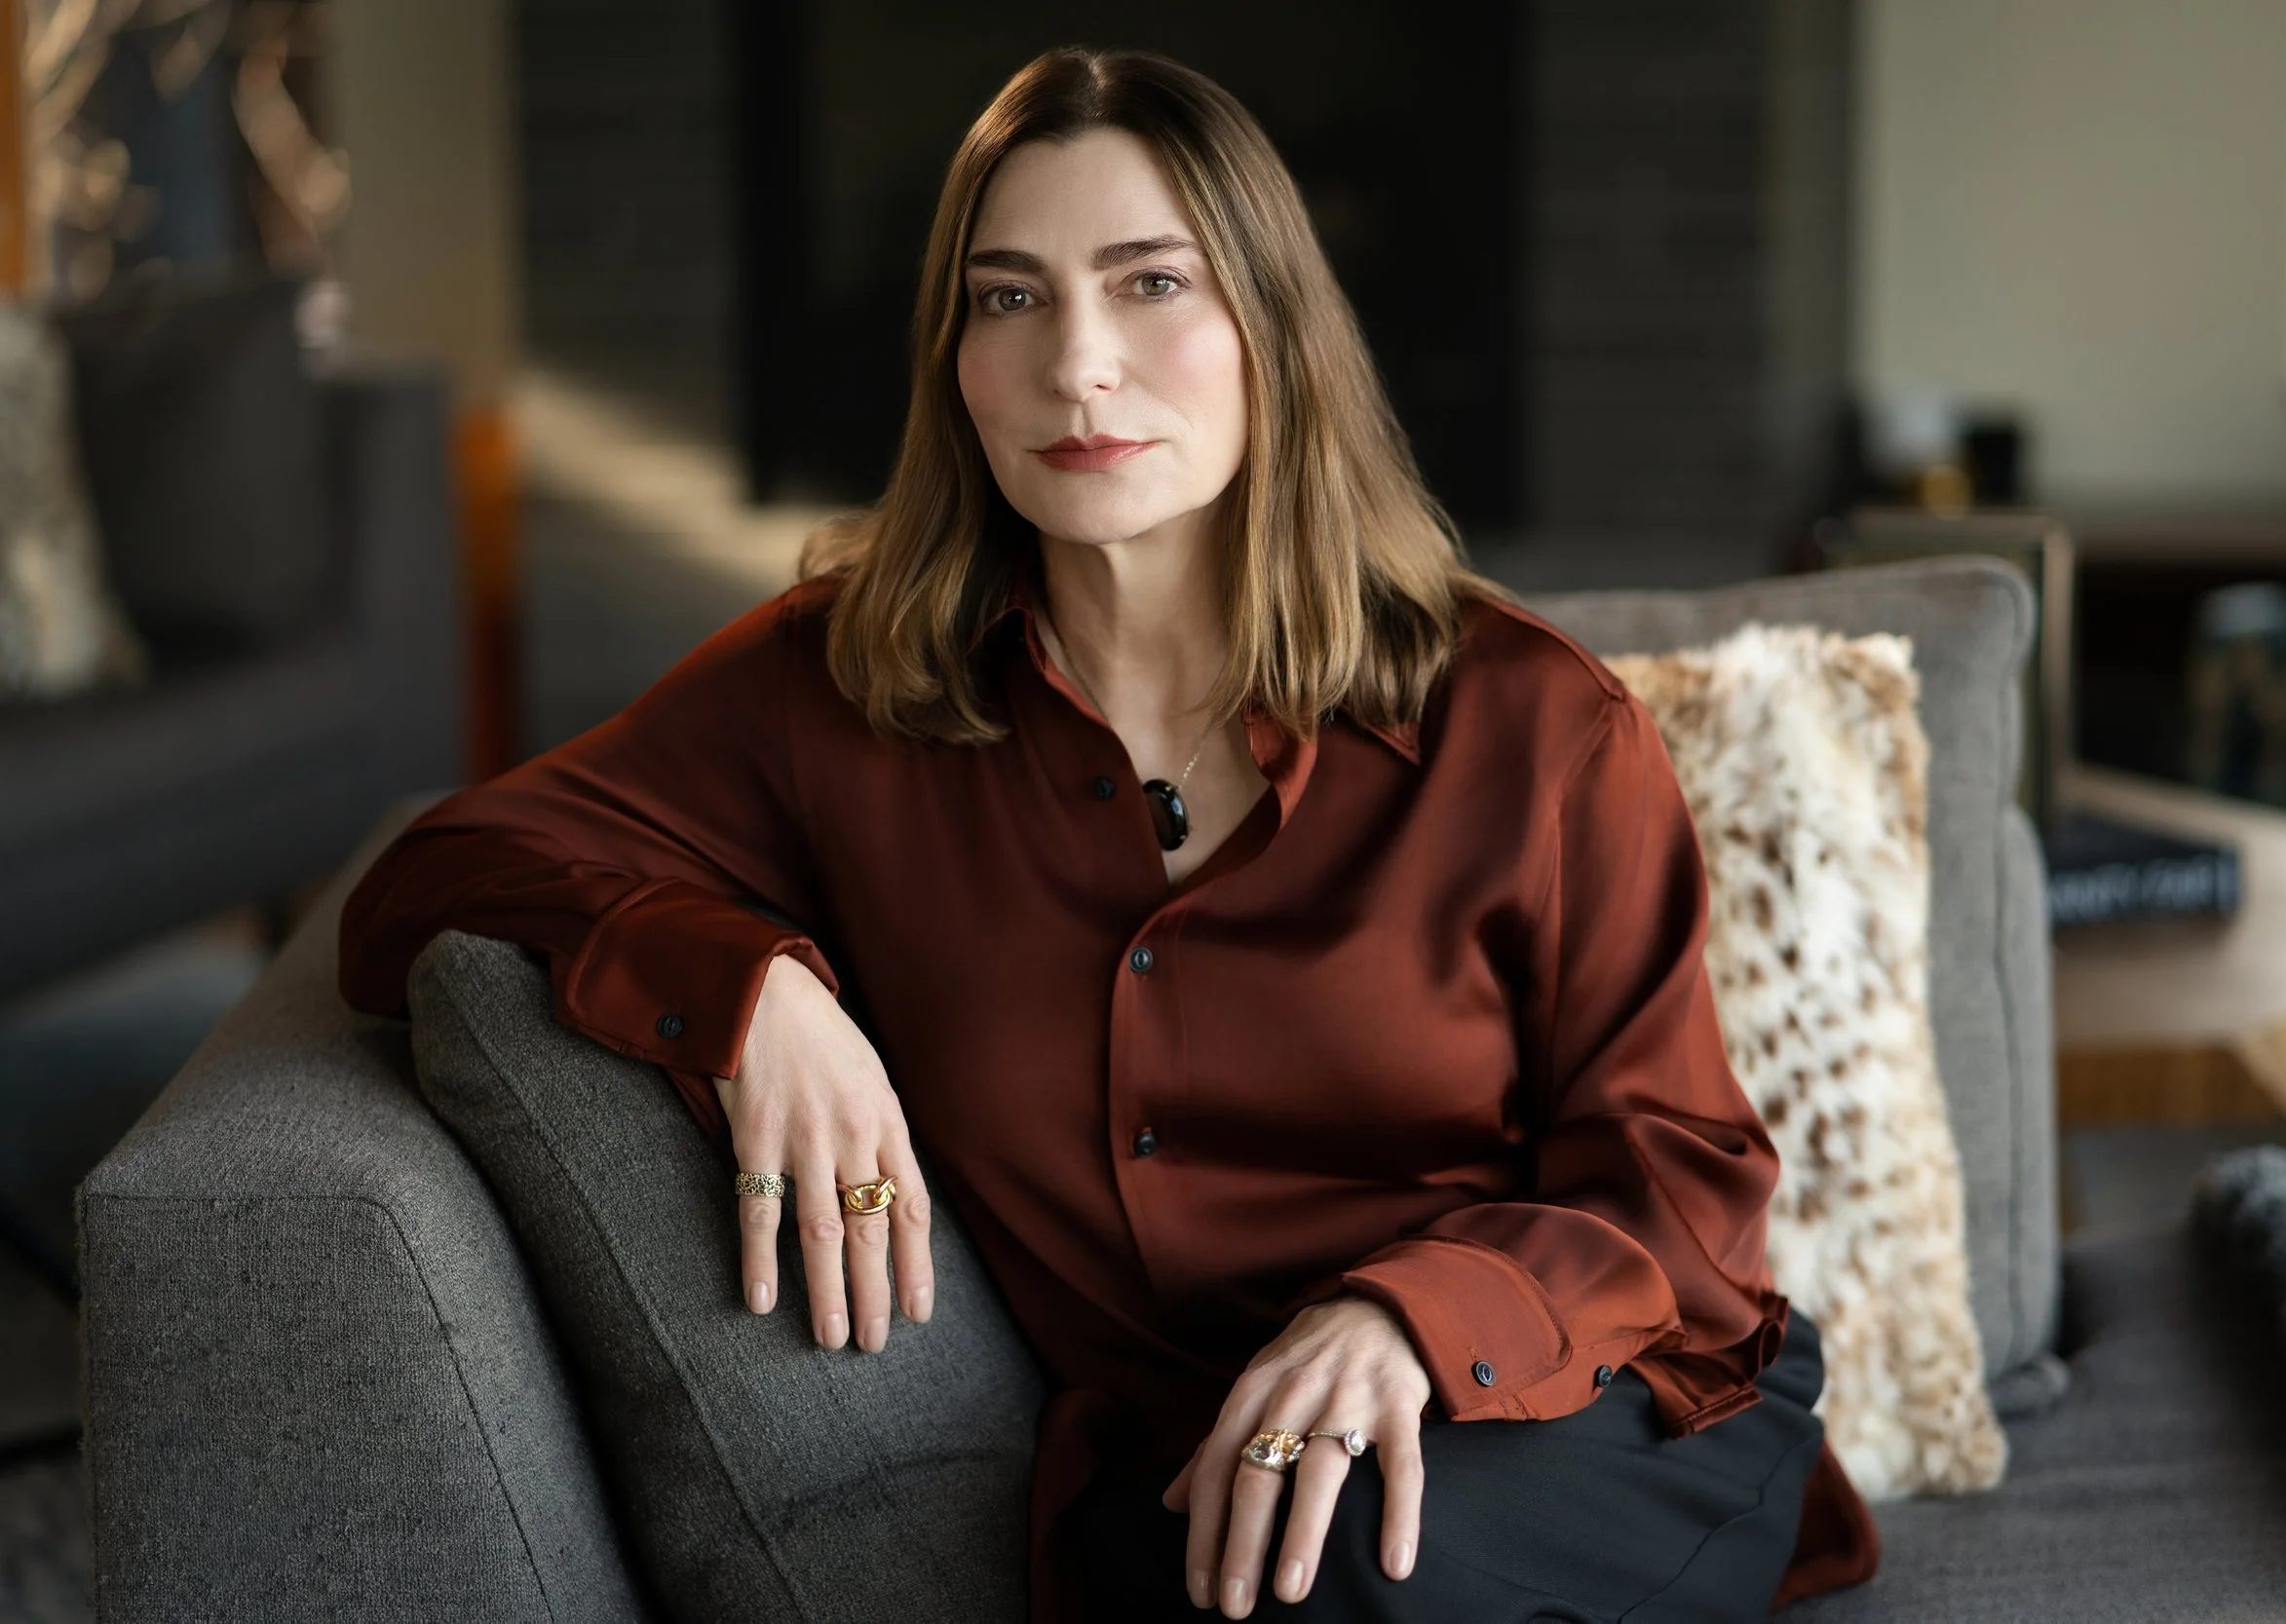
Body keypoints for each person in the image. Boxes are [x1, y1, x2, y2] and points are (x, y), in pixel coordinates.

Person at [337, 46, 1879, 1622]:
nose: (1078, 365)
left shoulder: (1535, 726)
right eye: (1009, 298)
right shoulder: (840, 691)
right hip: (1194, 1471)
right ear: (954, 356)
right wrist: (751, 990)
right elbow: (430, 878)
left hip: (1590, 1406)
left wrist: (1407, 1318)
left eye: (1151, 283)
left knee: (1323, 1545)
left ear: (1271, 325)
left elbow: (1679, 1195)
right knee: (1222, 1544)